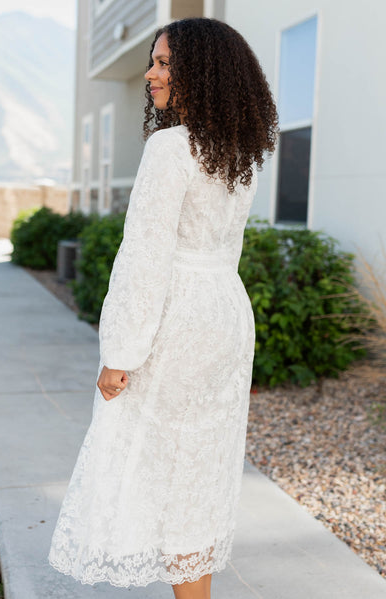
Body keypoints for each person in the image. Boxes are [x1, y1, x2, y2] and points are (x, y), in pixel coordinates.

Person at [48, 17, 278, 599]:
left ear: (200, 73)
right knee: (196, 468)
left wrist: (119, 353)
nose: (151, 73)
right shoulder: (238, 151)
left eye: (164, 63)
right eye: (152, 60)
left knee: (158, 466)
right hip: (225, 312)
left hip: (179, 317)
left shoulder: (171, 147)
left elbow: (145, 258)